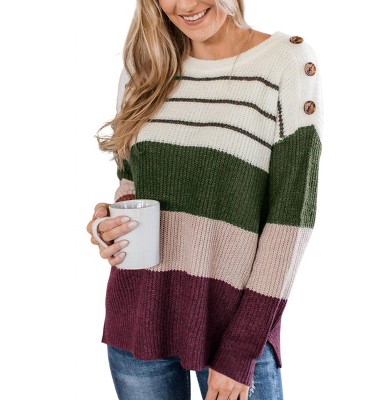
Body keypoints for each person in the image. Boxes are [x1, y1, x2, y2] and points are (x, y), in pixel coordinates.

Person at [86, 1, 323, 399]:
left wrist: (241, 350)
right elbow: (132, 184)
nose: (186, 5)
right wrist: (106, 226)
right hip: (138, 316)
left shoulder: (286, 61)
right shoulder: (145, 68)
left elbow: (291, 220)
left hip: (231, 329)